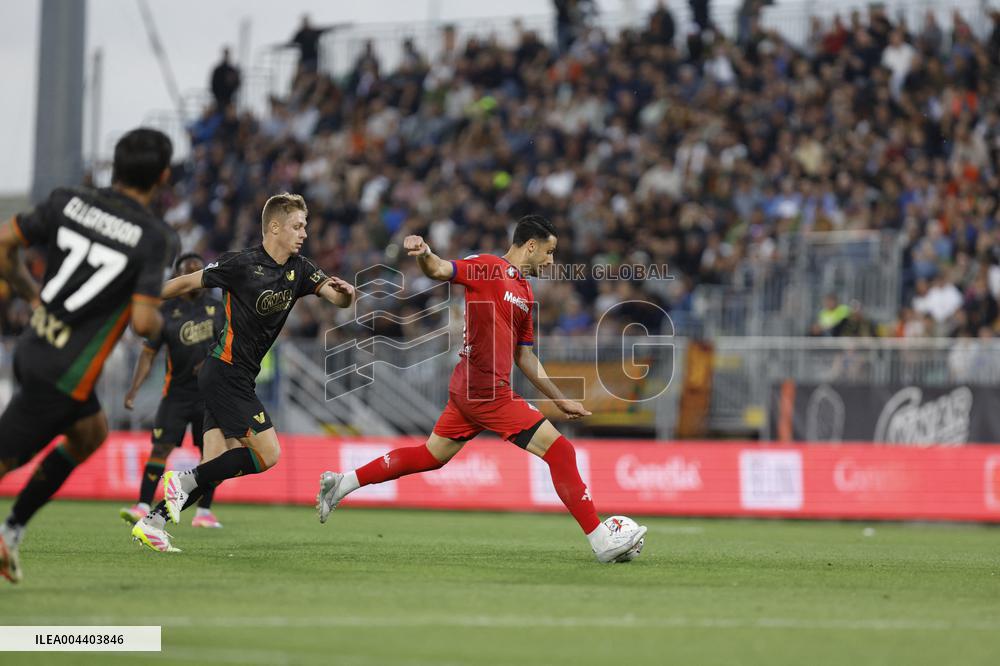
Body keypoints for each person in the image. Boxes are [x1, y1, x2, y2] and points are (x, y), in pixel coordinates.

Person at [316, 215, 647, 563]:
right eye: (549, 252)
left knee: (431, 455)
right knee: (561, 452)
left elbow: (525, 356)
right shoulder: (488, 267)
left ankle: (342, 483)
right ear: (531, 246)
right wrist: (425, 252)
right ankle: (601, 540)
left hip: (472, 389)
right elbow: (442, 270)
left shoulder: (524, 291)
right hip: (484, 389)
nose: (551, 261)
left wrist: (559, 398)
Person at [0, 128, 178, 583]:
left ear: (113, 167)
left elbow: (5, 244)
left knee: (90, 432)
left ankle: (13, 529)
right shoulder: (153, 237)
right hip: (64, 375)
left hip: (34, 348)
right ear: (162, 177)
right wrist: (165, 326)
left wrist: (32, 294)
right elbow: (142, 322)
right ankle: (11, 531)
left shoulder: (66, 201)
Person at [130, 193, 355, 552]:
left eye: (305, 227)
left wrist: (347, 294)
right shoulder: (240, 264)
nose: (303, 234)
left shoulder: (301, 269)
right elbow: (188, 283)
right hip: (224, 372)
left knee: (214, 465)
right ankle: (182, 482)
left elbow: (336, 296)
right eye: (297, 226)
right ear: (275, 227)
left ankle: (153, 522)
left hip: (237, 376)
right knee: (268, 454)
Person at [119, 252, 227, 528]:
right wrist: (134, 389)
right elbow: (147, 354)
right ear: (179, 277)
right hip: (176, 394)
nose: (194, 277)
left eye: (198, 271)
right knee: (160, 448)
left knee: (212, 455)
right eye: (188, 272)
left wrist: (210, 360)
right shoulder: (164, 313)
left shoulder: (218, 307)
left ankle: (204, 512)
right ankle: (142, 504)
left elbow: (231, 343)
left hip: (210, 395)